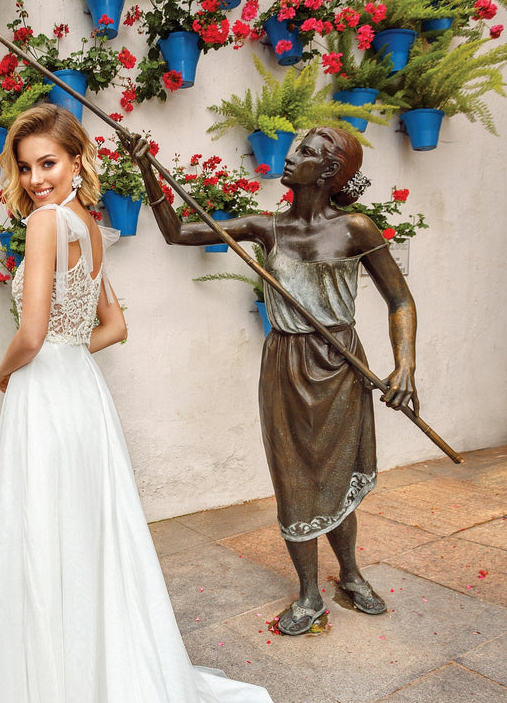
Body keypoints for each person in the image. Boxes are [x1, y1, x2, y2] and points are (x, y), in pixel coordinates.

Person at [0, 103, 312, 703]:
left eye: (51, 162)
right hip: (82, 399)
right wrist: (67, 357)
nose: (40, 179)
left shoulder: (48, 224)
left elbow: (35, 329)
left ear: (78, 163)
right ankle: (96, 701)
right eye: (29, 166)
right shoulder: (89, 227)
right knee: (89, 558)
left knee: (54, 559)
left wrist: (5, 371)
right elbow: (111, 325)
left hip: (50, 402)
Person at [129, 127, 419, 636]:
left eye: (306, 152)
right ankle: (309, 593)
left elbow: (401, 300)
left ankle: (350, 573)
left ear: (329, 171)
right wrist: (147, 172)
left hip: (342, 363)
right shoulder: (266, 228)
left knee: (338, 476)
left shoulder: (357, 229)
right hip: (285, 362)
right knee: (295, 479)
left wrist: (405, 367)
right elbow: (177, 234)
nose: (290, 156)